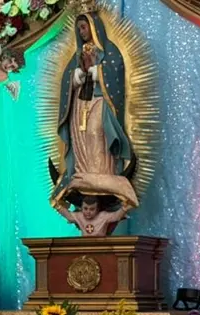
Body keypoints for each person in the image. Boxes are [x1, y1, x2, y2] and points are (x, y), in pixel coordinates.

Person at [52, 11, 139, 215]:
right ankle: (82, 176)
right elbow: (67, 81)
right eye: (79, 28)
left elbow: (115, 74)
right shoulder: (77, 55)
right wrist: (78, 75)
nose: (82, 32)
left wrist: (96, 71)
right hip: (79, 105)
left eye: (85, 27)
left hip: (100, 102)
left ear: (94, 26)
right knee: (80, 139)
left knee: (96, 136)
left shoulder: (110, 51)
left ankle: (103, 176)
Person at [55, 194, 125, 237]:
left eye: (92, 209)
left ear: (97, 209)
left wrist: (125, 208)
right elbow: (69, 216)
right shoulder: (80, 216)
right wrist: (57, 206)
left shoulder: (103, 216)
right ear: (81, 208)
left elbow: (116, 216)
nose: (88, 212)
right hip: (85, 246)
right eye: (85, 208)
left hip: (101, 246)